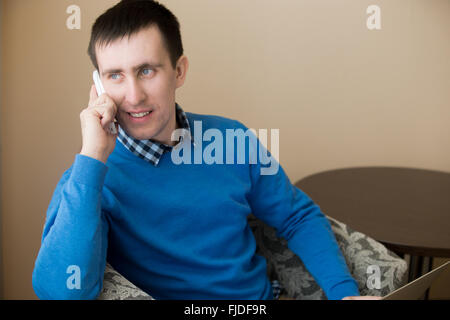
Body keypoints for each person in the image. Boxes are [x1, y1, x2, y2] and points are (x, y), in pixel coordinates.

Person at [32, 0, 372, 300]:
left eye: (146, 70)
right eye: (115, 76)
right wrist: (92, 156)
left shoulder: (231, 138)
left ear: (178, 71)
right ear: (99, 86)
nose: (134, 96)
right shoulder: (90, 178)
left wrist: (344, 294)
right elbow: (63, 292)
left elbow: (297, 216)